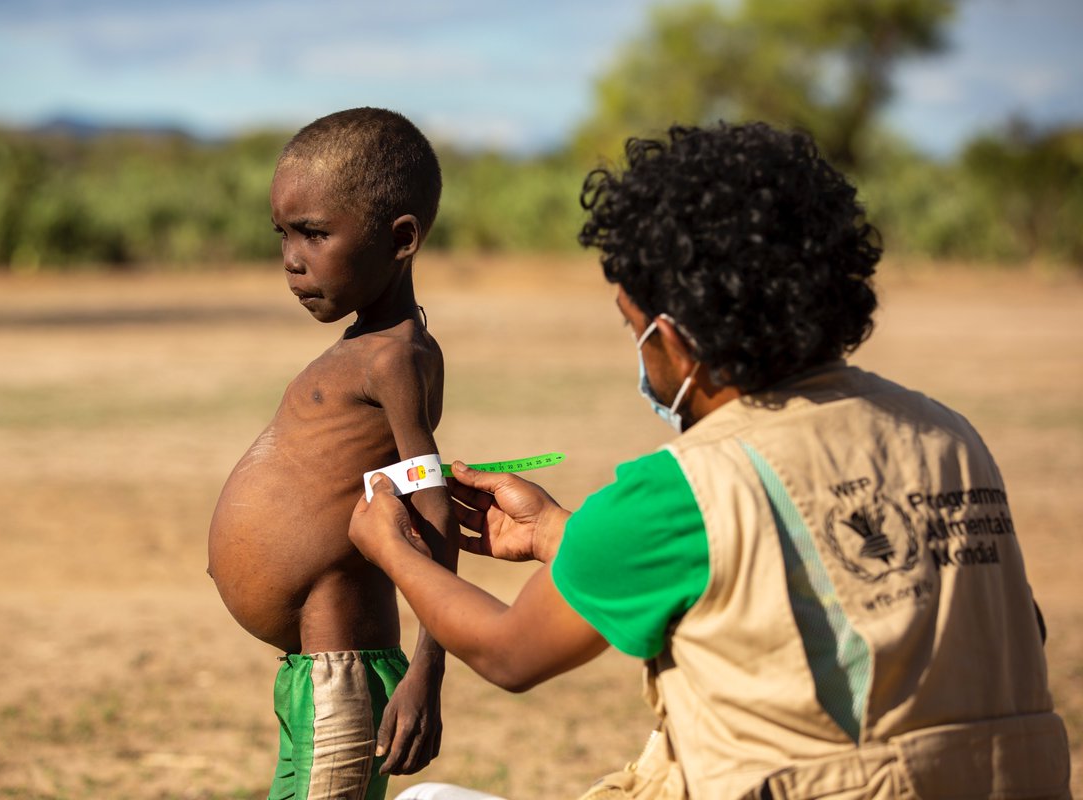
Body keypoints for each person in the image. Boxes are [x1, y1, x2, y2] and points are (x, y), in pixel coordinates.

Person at [349, 122, 1072, 799]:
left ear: (671, 336)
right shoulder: (945, 434)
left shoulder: (679, 489)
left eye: (632, 328)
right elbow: (993, 622)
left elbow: (510, 653)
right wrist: (554, 535)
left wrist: (394, 551)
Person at [207, 107, 457, 800]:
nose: (292, 260)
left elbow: (435, 514)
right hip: (308, 673)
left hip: (341, 668)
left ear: (400, 238)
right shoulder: (360, 350)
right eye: (283, 235)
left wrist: (426, 674)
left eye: (314, 234)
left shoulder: (395, 360)